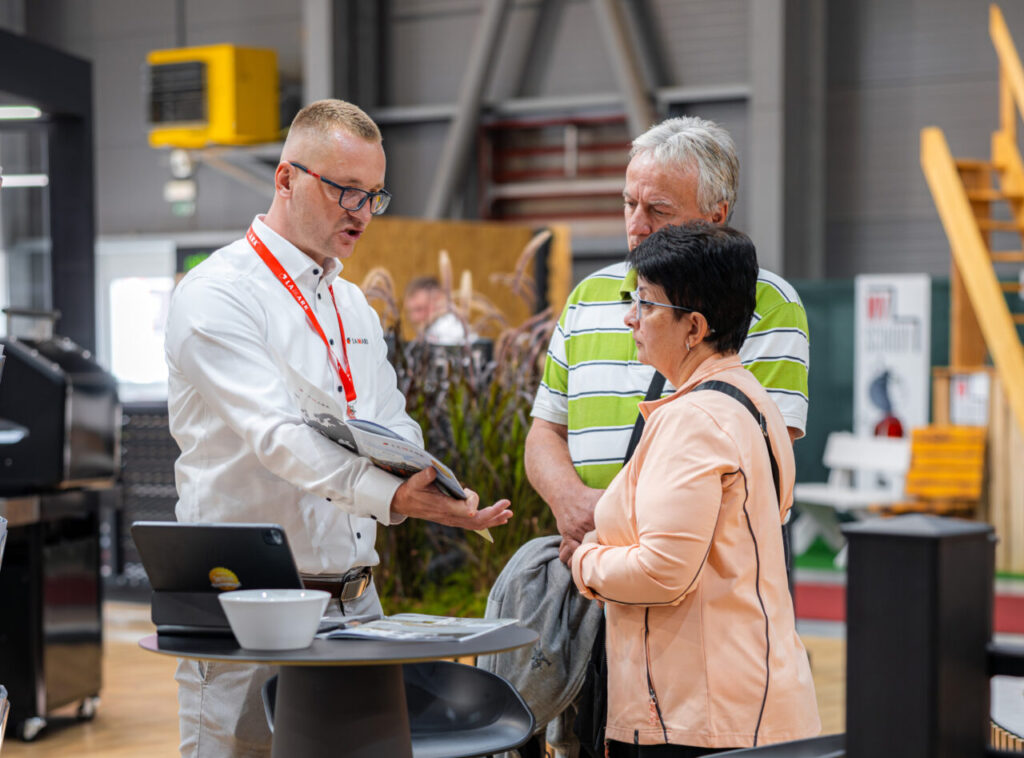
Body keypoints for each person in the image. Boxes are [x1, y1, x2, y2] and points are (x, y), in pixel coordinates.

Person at [164, 99, 512, 758]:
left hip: (357, 606)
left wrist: (431, 484)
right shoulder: (218, 294)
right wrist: (389, 497)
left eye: (373, 195)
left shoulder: (350, 301)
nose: (360, 210)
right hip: (250, 609)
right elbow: (277, 437)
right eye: (345, 190)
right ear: (286, 178)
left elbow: (387, 421)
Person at [571, 223, 820, 756]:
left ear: (695, 328)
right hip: (738, 700)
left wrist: (586, 560)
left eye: (646, 303)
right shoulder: (748, 397)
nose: (630, 317)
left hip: (700, 717)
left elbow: (661, 572)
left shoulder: (695, 419)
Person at [526, 116, 810, 565]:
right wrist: (570, 502)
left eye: (658, 209)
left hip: (711, 576)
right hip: (589, 556)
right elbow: (545, 430)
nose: (637, 225)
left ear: (716, 215)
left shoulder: (768, 305)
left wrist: (609, 521)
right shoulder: (586, 297)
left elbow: (756, 463)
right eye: (628, 203)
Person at [403, 275, 471, 345]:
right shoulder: (429, 330)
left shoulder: (448, 327)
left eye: (420, 309)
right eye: (410, 312)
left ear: (439, 299)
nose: (414, 318)